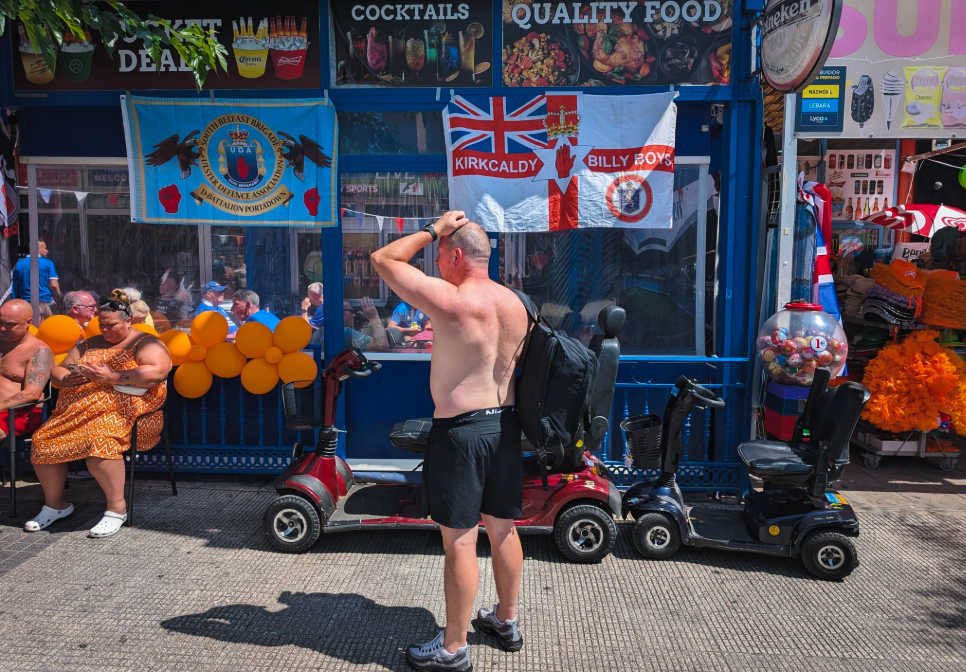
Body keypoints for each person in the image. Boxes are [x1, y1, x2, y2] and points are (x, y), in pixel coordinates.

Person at [371, 211, 530, 669]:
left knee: (459, 539)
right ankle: (506, 619)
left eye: (440, 254)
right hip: (505, 426)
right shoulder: (516, 303)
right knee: (501, 527)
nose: (436, 262)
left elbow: (383, 258)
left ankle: (454, 647)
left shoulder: (453, 299)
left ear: (456, 255)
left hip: (462, 433)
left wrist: (431, 228)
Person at [26, 289, 172, 539]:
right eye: (101, 324)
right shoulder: (88, 344)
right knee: (43, 441)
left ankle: (117, 509)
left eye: (111, 325)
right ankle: (56, 505)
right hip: (77, 411)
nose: (105, 329)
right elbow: (57, 372)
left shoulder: (145, 342)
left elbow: (158, 372)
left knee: (100, 442)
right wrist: (68, 378)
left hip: (126, 411)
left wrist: (112, 377)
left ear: (128, 321)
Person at [0, 300, 54, 442]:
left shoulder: (38, 352)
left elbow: (31, 394)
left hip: (19, 413)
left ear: (28, 322)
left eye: (10, 324)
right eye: (0, 322)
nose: (3, 328)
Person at [12, 239, 61, 309]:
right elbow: (54, 285)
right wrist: (59, 300)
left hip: (26, 304)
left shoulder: (19, 264)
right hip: (46, 303)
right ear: (38, 249)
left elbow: (15, 287)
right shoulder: (48, 263)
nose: (47, 251)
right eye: (45, 248)